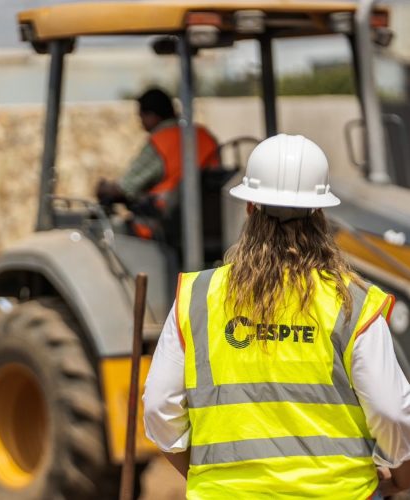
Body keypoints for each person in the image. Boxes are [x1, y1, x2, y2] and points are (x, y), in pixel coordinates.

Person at [142, 134, 410, 498]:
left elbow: (159, 408)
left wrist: (211, 479)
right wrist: (401, 479)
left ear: (250, 208)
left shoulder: (197, 298)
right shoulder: (353, 302)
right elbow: (392, 412)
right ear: (319, 213)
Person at [96, 87, 219, 239]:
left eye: (141, 117)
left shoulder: (160, 142)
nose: (141, 124)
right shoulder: (204, 136)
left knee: (103, 233)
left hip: (163, 227)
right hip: (211, 225)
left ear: (152, 115)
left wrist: (104, 188)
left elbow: (125, 187)